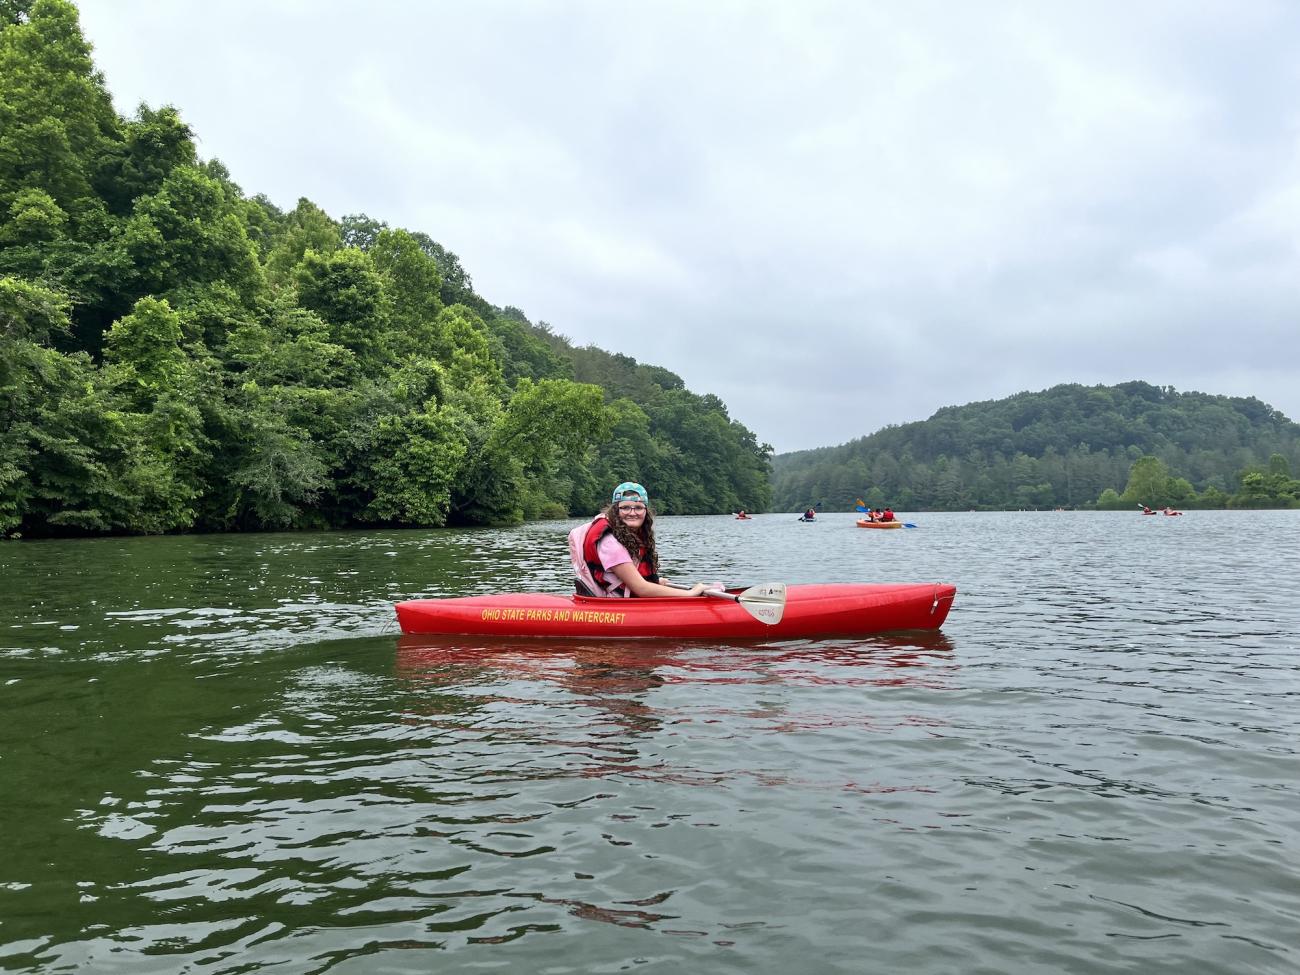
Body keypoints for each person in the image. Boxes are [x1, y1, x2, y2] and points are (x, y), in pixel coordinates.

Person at [569, 482, 710, 598]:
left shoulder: (628, 535)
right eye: (625, 508)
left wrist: (656, 582)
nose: (632, 513)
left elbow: (631, 580)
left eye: (638, 508)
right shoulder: (610, 543)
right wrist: (691, 593)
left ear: (645, 511)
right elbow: (641, 589)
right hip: (617, 608)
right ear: (615, 511)